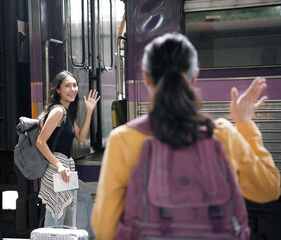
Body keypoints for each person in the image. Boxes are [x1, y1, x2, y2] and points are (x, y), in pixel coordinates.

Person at [92, 33, 280, 240]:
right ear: (194, 76)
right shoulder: (221, 134)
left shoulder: (123, 139)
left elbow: (104, 228)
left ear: (146, 78)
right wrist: (245, 123)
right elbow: (269, 189)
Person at [36, 70, 100, 237]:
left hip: (64, 167)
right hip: (56, 168)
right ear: (58, 90)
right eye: (67, 86)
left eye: (74, 85)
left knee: (83, 194)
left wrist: (89, 111)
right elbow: (40, 142)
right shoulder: (58, 111)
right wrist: (58, 166)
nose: (73, 89)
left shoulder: (66, 113)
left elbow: (82, 137)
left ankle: (87, 235)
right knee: (56, 214)